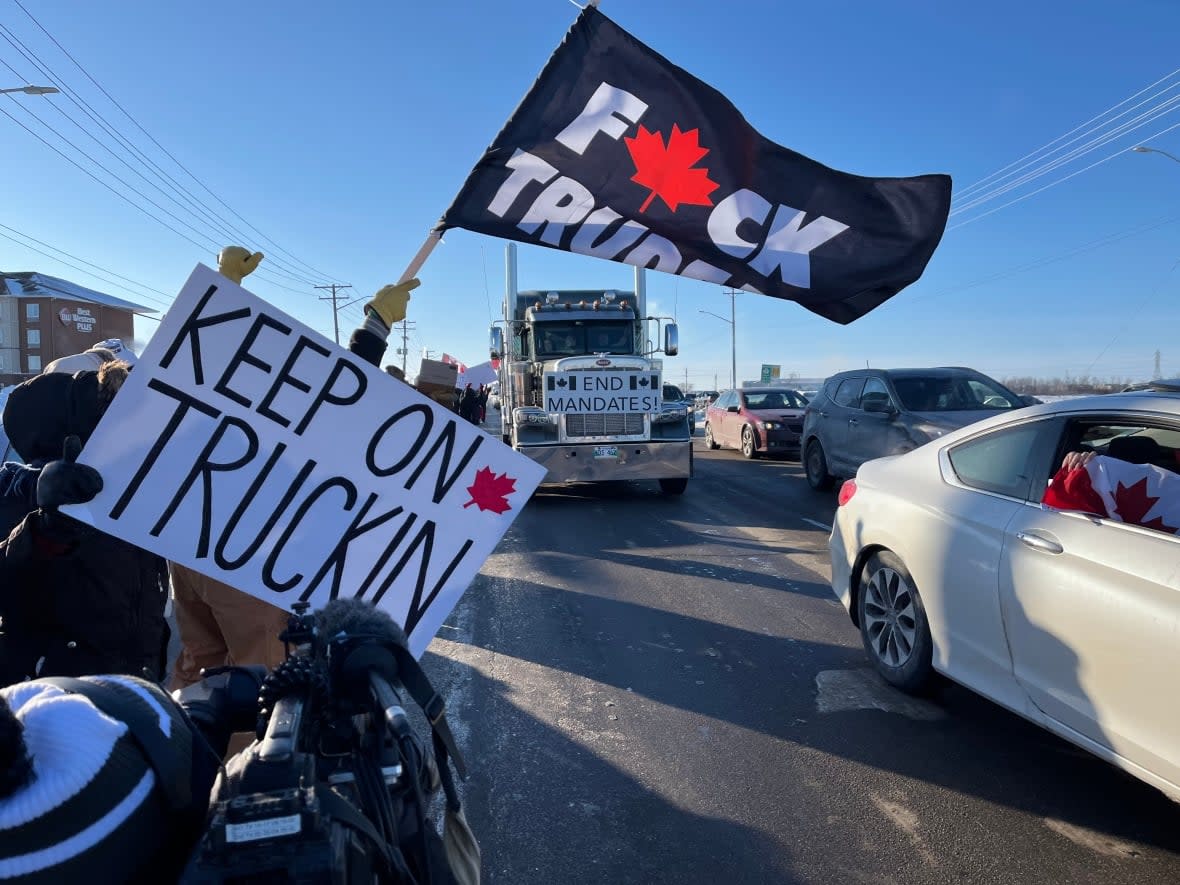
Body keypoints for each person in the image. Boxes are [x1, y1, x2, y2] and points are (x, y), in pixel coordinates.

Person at [0, 358, 170, 684]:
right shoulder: (16, 493)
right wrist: (44, 529)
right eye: (106, 418)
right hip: (51, 699)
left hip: (133, 690)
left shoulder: (123, 492)